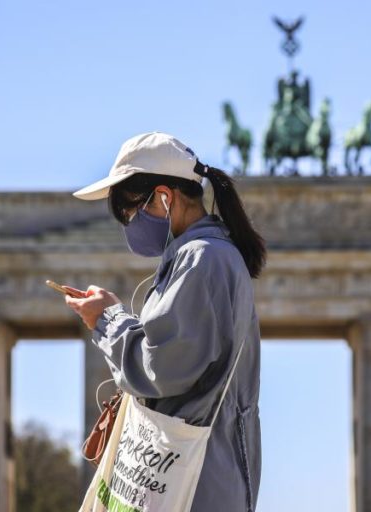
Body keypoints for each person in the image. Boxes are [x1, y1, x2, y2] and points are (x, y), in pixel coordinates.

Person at [65, 132, 266, 512]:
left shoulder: (202, 258)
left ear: (163, 198)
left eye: (128, 212)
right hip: (203, 473)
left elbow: (163, 367)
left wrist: (107, 320)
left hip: (195, 481)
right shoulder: (206, 256)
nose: (128, 225)